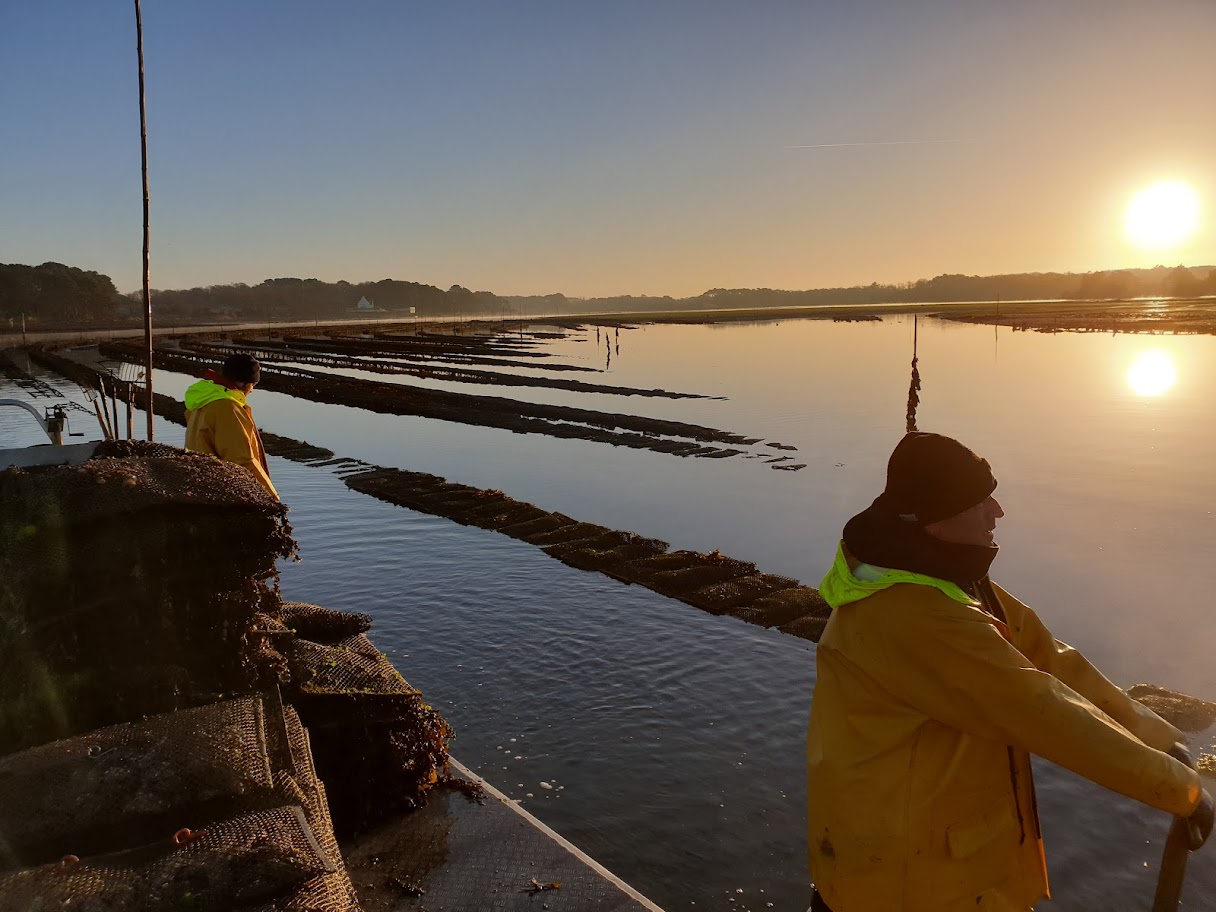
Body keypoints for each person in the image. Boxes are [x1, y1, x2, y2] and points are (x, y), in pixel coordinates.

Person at [806, 431, 1212, 912]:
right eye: (980, 500)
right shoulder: (922, 620)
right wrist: (1183, 791)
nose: (997, 511)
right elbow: (1050, 714)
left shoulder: (938, 576)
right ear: (935, 519)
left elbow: (1050, 660)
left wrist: (1160, 738)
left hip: (937, 860)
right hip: (909, 884)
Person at [184, 353, 279, 500]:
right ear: (244, 383)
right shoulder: (228, 409)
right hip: (221, 493)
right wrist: (271, 497)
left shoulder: (203, 401)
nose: (252, 390)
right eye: (252, 385)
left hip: (200, 485)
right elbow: (242, 461)